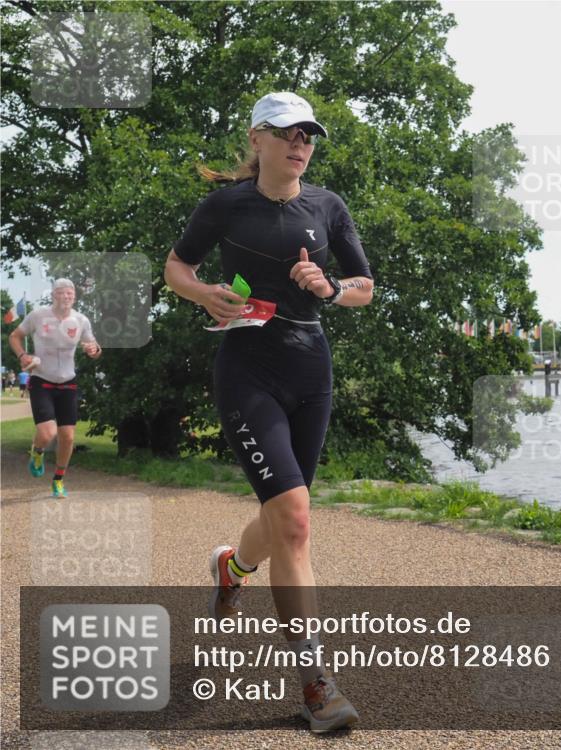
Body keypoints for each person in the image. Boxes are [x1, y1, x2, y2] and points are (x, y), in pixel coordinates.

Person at [163, 91, 374, 733]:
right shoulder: (227, 204)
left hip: (311, 369)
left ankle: (233, 566)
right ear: (257, 138)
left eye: (307, 134)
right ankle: (317, 685)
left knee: (285, 516)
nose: (299, 143)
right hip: (247, 369)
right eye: (287, 132)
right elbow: (177, 266)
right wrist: (204, 295)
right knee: (296, 519)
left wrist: (331, 288)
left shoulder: (328, 207)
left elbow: (365, 287)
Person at [8, 279, 102, 497]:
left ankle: (58, 480)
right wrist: (22, 355)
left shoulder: (81, 320)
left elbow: (95, 348)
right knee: (48, 433)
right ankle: (37, 452)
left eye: (70, 293)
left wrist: (93, 350)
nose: (66, 296)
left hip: (68, 382)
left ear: (74, 297)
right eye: (61, 292)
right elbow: (14, 336)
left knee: (67, 437)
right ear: (53, 295)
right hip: (42, 380)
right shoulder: (38, 316)